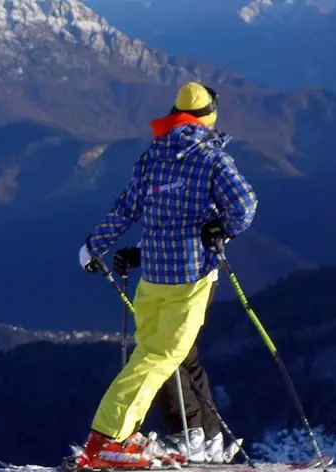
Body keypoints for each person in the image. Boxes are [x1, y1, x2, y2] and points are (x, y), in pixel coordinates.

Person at [75, 81, 258, 469]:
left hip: (152, 278)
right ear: (209, 117)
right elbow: (244, 205)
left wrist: (93, 246)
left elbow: (125, 209)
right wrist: (220, 229)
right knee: (160, 357)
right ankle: (108, 438)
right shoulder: (212, 159)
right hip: (190, 277)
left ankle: (199, 437)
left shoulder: (152, 158)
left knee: (158, 354)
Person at [114, 246, 243, 464]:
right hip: (190, 278)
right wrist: (142, 253)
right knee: (183, 355)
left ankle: (189, 435)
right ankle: (209, 437)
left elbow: (176, 233)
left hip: (186, 281)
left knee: (164, 353)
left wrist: (143, 253)